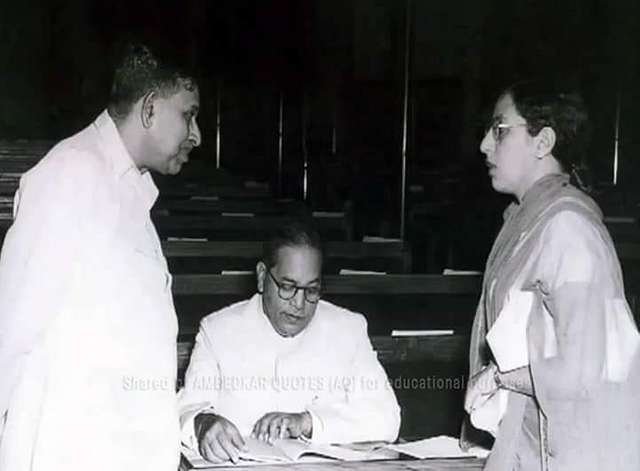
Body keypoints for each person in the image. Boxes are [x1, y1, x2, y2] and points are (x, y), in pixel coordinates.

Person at [0, 42, 201, 471]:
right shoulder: (69, 176)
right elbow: (11, 334)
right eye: (189, 114)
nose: (197, 135)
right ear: (150, 109)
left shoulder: (129, 189)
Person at [461, 79, 640, 470]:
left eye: (499, 130)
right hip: (528, 440)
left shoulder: (569, 229)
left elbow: (583, 372)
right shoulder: (529, 222)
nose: (485, 145)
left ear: (543, 143)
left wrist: (499, 377)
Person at [178, 222, 401, 463]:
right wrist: (204, 423)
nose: (299, 303)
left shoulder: (348, 328)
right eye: (287, 287)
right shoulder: (218, 330)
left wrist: (308, 422)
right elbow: (186, 408)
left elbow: (386, 418)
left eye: (312, 290)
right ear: (262, 277)